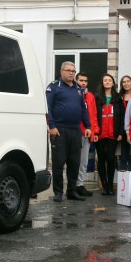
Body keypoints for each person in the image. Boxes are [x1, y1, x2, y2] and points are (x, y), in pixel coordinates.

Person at [46, 61, 91, 202]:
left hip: (75, 131)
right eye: (69, 70)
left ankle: (71, 192)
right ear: (62, 71)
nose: (71, 73)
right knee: (59, 164)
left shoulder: (78, 88)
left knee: (74, 163)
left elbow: (83, 109)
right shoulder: (53, 87)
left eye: (73, 71)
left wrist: (88, 126)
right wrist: (52, 126)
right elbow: (47, 108)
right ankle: (58, 192)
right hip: (59, 131)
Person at [94, 74, 124, 195]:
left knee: (111, 159)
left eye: (109, 80)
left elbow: (122, 116)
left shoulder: (117, 98)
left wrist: (121, 132)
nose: (107, 82)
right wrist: (95, 131)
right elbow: (93, 115)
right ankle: (104, 186)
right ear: (102, 83)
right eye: (105, 80)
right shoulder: (96, 98)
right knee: (101, 159)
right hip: (100, 133)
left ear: (113, 83)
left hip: (113, 133)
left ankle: (111, 186)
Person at [74, 72, 98, 197]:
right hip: (74, 132)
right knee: (74, 160)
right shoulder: (72, 93)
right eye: (81, 80)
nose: (83, 83)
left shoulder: (90, 96)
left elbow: (93, 115)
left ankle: (80, 184)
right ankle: (72, 185)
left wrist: (95, 131)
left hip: (87, 133)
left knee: (84, 161)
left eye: (85, 81)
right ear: (76, 80)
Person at [118, 75, 131, 170]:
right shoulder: (119, 97)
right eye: (124, 82)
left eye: (128, 81)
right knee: (123, 154)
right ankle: (123, 179)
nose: (126, 83)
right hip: (122, 130)